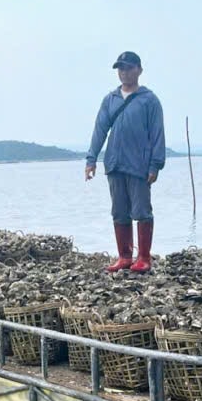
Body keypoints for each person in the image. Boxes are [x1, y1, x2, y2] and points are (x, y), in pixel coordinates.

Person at [85, 51, 166, 273]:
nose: (124, 73)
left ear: (139, 70)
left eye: (129, 68)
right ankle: (124, 256)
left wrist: (155, 165)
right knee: (119, 211)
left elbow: (157, 134)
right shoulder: (110, 99)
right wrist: (91, 159)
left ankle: (144, 257)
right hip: (114, 163)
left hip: (139, 165)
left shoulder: (149, 100)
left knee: (142, 211)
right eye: (120, 68)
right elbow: (100, 130)